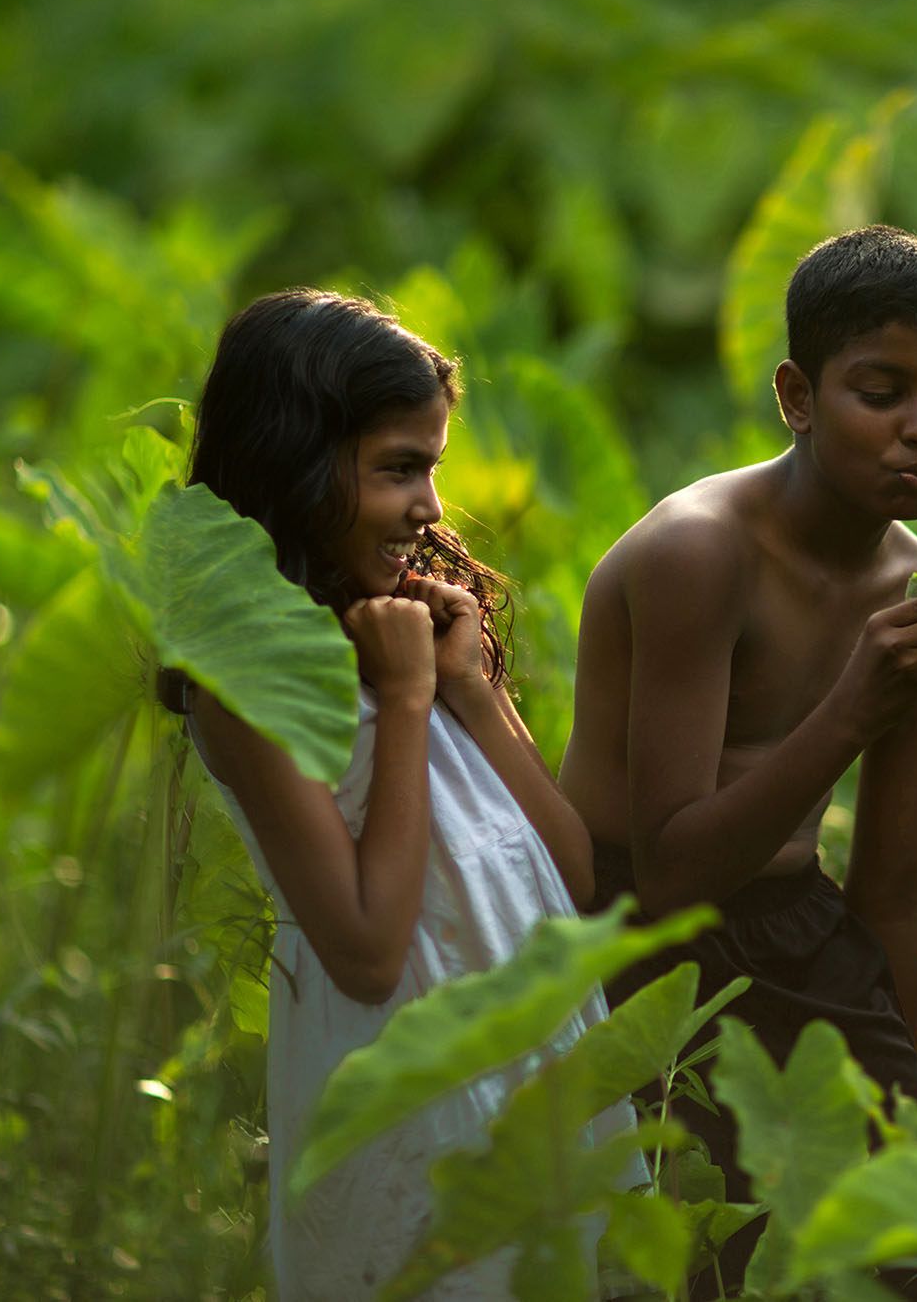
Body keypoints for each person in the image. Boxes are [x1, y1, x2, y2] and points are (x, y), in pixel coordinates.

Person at [160, 289, 638, 1300]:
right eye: (397, 468)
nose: (429, 506)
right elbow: (370, 952)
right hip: (409, 1113)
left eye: (432, 466)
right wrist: (410, 698)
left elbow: (576, 878)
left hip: (528, 1077)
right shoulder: (248, 683)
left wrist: (468, 687)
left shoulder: (409, 632)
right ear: (293, 465)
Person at [559, 225, 917, 1215]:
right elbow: (670, 871)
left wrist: (901, 1091)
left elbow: (890, 883)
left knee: (902, 1245)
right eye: (880, 394)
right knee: (726, 1239)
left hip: (801, 926)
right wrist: (850, 707)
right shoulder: (698, 554)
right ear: (796, 397)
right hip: (635, 937)